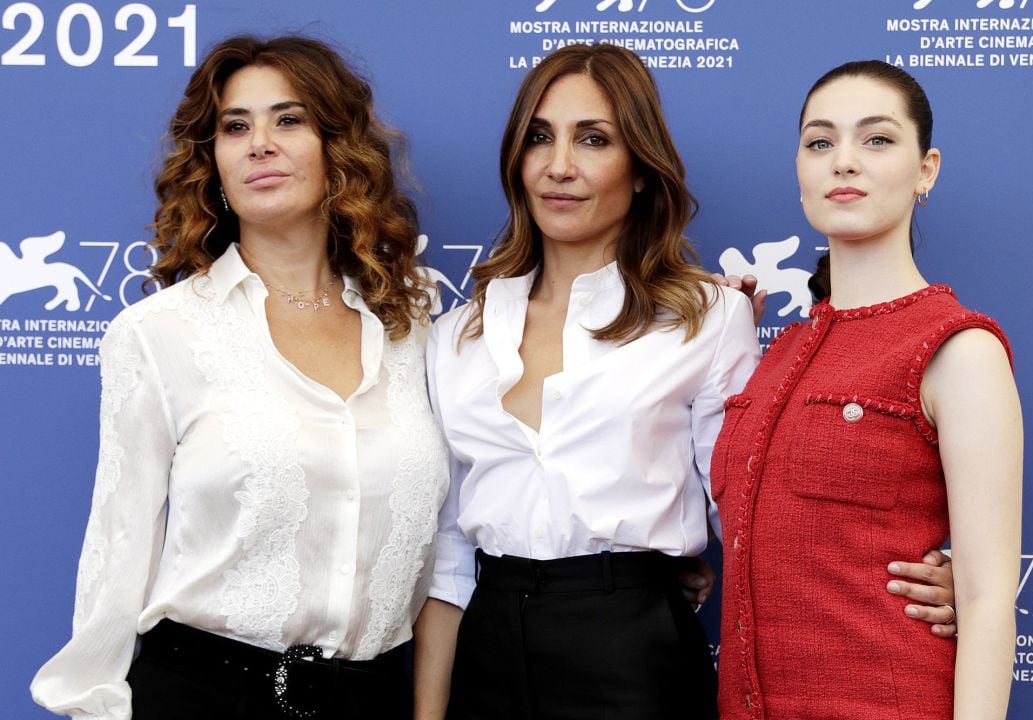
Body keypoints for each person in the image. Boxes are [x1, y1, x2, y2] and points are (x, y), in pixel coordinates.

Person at [413, 44, 959, 720]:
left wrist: (937, 580)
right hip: (486, 647)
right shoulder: (454, 336)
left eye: (594, 139)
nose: (560, 166)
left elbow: (753, 510)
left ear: (640, 168)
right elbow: (448, 554)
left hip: (633, 650)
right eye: (539, 138)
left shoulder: (709, 318)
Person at [30, 35, 448, 720]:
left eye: (289, 120)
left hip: (370, 696)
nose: (259, 143)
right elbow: (119, 548)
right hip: (203, 693)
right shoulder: (160, 334)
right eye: (234, 126)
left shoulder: (413, 321)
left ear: (337, 147)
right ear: (213, 160)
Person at [710, 60, 1022, 719]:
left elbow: (989, 597)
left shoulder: (959, 347)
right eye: (820, 142)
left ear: (926, 169)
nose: (843, 161)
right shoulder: (775, 354)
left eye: (876, 140)